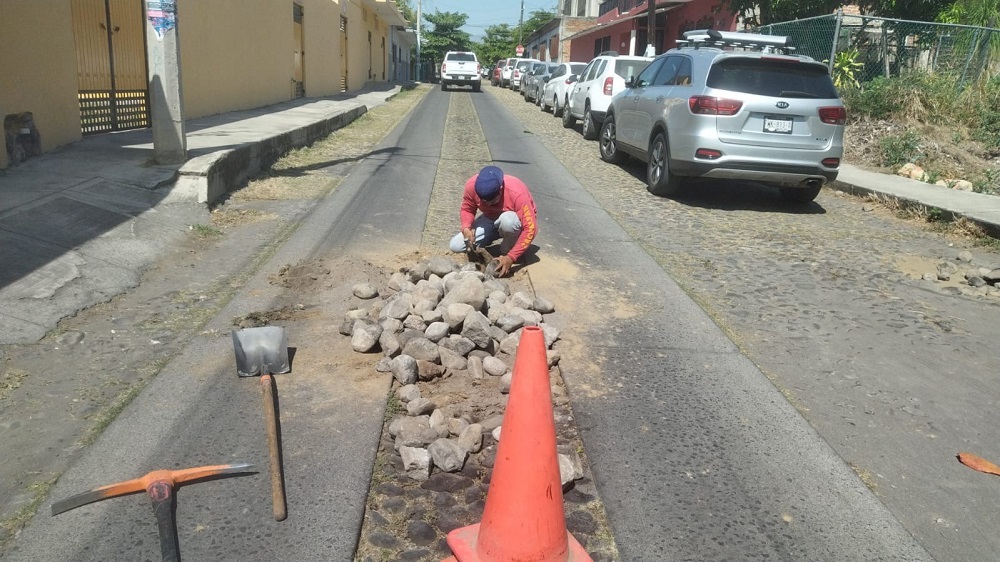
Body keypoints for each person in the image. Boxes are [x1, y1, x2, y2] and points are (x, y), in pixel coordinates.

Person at [449, 165, 538, 277]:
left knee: (508, 221)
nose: (488, 204)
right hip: (490, 218)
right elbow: (467, 208)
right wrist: (466, 228)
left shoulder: (517, 192)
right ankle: (495, 235)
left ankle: (507, 251)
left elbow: (531, 228)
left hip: (513, 221)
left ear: (501, 189)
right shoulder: (471, 186)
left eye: (492, 201)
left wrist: (511, 257)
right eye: (484, 201)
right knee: (456, 245)